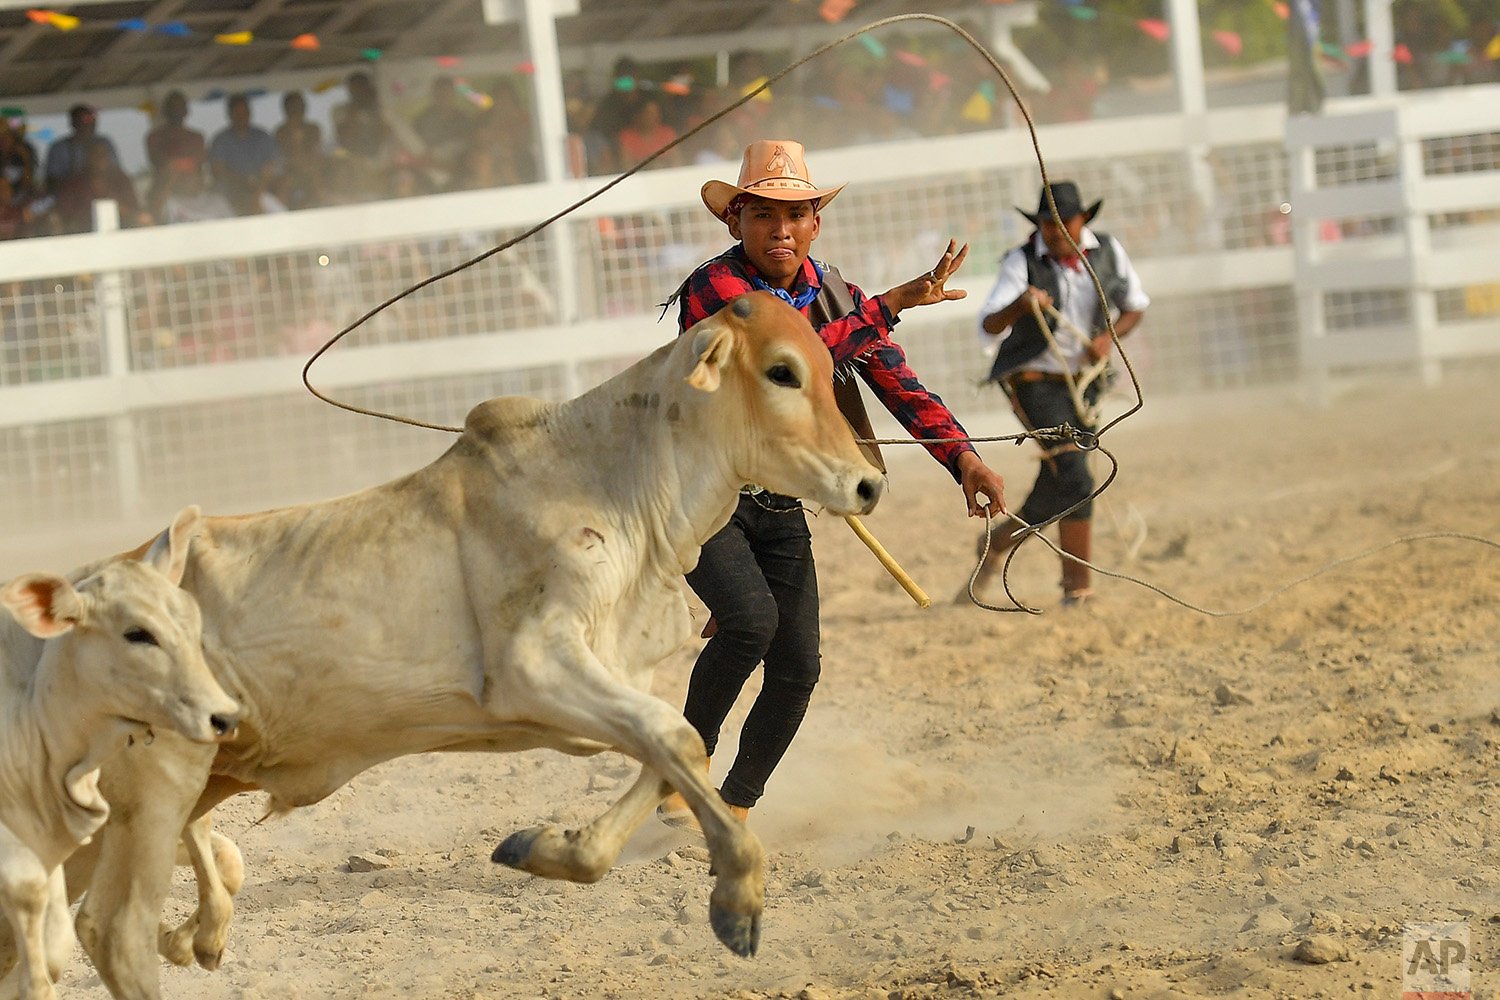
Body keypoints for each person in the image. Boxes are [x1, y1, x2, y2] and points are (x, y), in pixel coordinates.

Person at [656, 139, 1007, 827]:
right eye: (763, 215)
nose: (780, 229)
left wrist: (961, 458)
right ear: (736, 224)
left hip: (781, 498)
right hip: (704, 491)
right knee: (751, 623)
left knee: (798, 667)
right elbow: (779, 361)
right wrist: (892, 303)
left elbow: (899, 385)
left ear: (816, 222)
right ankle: (681, 767)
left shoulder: (841, 296)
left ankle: (734, 808)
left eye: (795, 214)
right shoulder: (714, 289)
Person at [968, 180, 1149, 606]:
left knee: (1060, 483)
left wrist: (1107, 338)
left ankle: (1000, 541)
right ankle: (1077, 590)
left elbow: (1136, 305)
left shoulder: (1107, 251)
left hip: (1083, 387)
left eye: (1063, 222)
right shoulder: (1022, 261)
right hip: (1033, 383)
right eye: (1048, 224)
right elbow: (989, 326)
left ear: (1082, 219)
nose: (1055, 231)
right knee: (1077, 478)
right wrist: (1021, 305)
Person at [208, 93, 280, 215]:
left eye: (244, 113)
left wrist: (258, 192)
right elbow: (217, 171)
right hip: (232, 190)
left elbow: (271, 166)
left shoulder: (262, 136)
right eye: (237, 114)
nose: (241, 117)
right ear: (230, 115)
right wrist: (243, 181)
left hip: (262, 188)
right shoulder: (221, 140)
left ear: (250, 113)